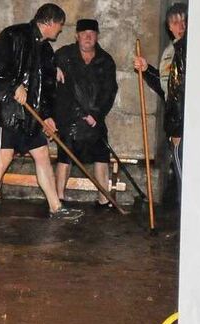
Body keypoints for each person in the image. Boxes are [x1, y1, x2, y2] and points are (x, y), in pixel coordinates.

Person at [0, 3, 83, 220]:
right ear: (49, 22)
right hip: (10, 112)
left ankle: (55, 206)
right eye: (60, 25)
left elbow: (45, 89)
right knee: (3, 157)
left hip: (32, 116)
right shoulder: (14, 35)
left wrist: (47, 115)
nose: (60, 30)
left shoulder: (46, 50)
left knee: (42, 155)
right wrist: (13, 85)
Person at [54, 19, 118, 208]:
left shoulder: (105, 61)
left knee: (101, 156)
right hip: (68, 118)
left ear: (97, 36)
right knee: (64, 156)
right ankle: (59, 199)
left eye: (92, 33)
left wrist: (96, 115)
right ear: (77, 36)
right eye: (84, 33)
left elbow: (109, 91)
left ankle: (103, 199)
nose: (88, 37)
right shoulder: (63, 55)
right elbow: (44, 64)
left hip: (93, 119)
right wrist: (53, 68)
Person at [133, 3, 187, 197]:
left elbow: (183, 92)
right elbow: (167, 88)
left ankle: (188, 223)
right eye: (175, 21)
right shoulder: (169, 52)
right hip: (176, 123)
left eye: (184, 20)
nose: (180, 25)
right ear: (169, 26)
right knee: (182, 174)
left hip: (185, 123)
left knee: (187, 176)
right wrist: (147, 70)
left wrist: (178, 128)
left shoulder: (190, 49)